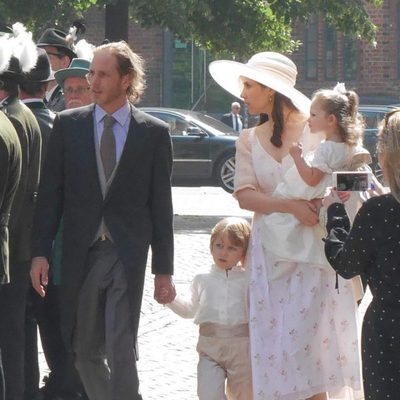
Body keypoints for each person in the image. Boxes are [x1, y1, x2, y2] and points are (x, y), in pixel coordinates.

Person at [209, 52, 363, 400]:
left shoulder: (320, 130)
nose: (243, 93)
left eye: (249, 86)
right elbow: (245, 196)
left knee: (310, 348)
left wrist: (330, 200)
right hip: (270, 255)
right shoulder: (248, 138)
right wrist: (291, 206)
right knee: (276, 345)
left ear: (270, 90)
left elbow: (356, 179)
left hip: (314, 254)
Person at [30, 41, 175, 400]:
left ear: (126, 79)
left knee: (121, 347)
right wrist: (40, 253)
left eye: (103, 74)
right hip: (83, 253)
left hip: (126, 255)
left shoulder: (153, 133)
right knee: (84, 351)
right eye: (92, 73)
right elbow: (51, 196)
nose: (94, 81)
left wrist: (164, 270)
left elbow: (161, 205)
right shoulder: (68, 126)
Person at [323, 108, 400, 400]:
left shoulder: (378, 212)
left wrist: (336, 212)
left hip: (389, 328)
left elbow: (345, 263)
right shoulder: (379, 209)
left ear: (387, 155)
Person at [260, 84, 370, 268]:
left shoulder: (326, 148)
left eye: (313, 115)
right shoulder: (349, 146)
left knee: (281, 220)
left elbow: (311, 178)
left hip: (315, 193)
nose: (309, 119)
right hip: (335, 197)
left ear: (331, 119)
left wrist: (297, 157)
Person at [0, 23, 42, 400]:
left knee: (10, 342)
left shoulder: (10, 120)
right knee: (17, 336)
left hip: (13, 241)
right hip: (18, 242)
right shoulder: (21, 115)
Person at [167, 217, 252, 400]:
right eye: (219, 245)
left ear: (243, 251)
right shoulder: (202, 279)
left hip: (243, 350)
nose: (223, 252)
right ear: (211, 245)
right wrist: (170, 300)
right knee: (208, 394)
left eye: (232, 248)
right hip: (209, 349)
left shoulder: (249, 281)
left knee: (244, 396)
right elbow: (189, 310)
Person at [36, 27, 77, 111]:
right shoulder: (33, 93)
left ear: (65, 61)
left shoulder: (69, 98)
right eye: (39, 55)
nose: (40, 60)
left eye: (47, 56)